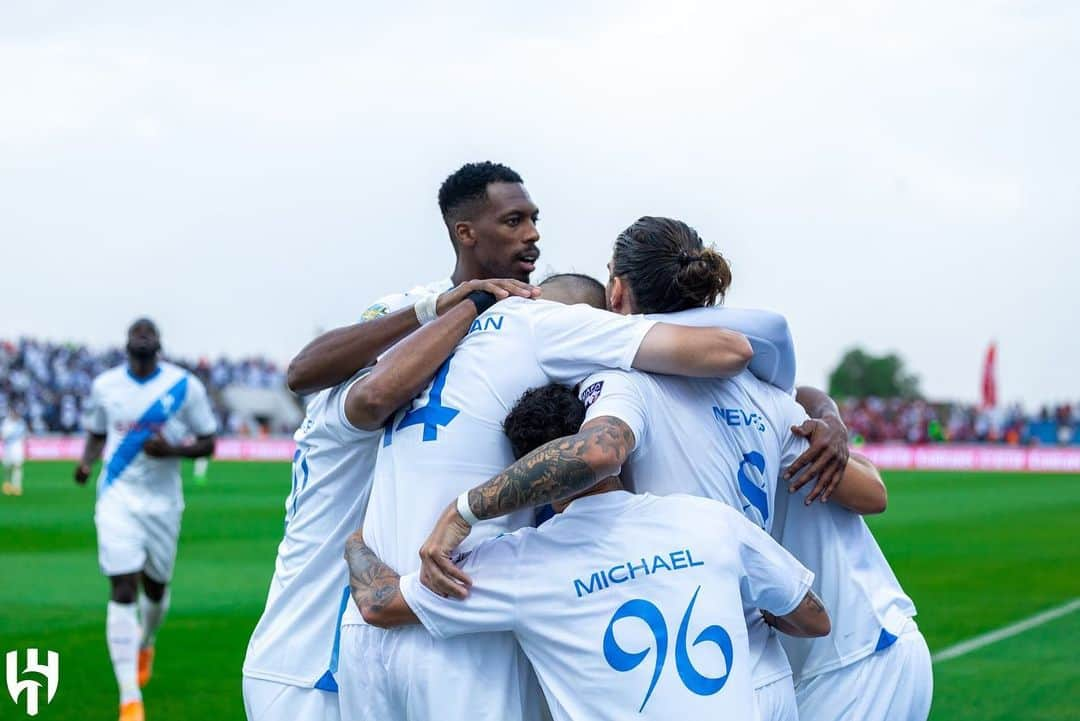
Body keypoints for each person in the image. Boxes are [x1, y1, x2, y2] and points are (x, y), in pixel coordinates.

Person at [335, 261, 763, 721]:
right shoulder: (559, 335)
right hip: (467, 651)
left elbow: (379, 604)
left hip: (369, 639)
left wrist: (356, 543)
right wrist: (463, 514)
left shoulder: (453, 344)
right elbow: (731, 349)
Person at [241, 160, 543, 721]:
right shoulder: (398, 335)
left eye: (534, 219)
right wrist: (445, 309)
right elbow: (311, 372)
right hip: (315, 656)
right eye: (514, 220)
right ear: (466, 233)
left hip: (391, 650)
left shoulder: (525, 327)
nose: (533, 234)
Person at [346, 384, 831, 721]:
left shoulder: (520, 564)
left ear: (521, 471)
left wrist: (353, 542)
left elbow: (378, 603)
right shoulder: (709, 519)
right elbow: (813, 618)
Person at [74, 318, 218, 721]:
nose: (141, 333)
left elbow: (209, 442)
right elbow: (97, 433)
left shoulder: (184, 386)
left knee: (155, 591)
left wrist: (173, 450)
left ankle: (147, 640)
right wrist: (86, 463)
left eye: (148, 330)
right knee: (122, 587)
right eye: (135, 330)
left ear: (158, 344)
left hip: (163, 504)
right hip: (117, 497)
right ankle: (129, 698)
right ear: (126, 344)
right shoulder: (105, 386)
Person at [1, 406, 28, 496]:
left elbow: (24, 435)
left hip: (17, 448)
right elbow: (3, 436)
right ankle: (7, 484)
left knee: (17, 466)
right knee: (7, 467)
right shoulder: (6, 423)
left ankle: (17, 486)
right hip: (8, 448)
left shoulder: (21, 423)